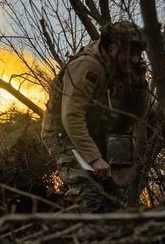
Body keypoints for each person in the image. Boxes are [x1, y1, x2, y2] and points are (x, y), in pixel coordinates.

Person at [41, 21, 150, 212]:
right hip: (65, 135)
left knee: (115, 201)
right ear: (113, 49)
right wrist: (94, 158)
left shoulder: (121, 69)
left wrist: (140, 84)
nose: (135, 59)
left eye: (138, 54)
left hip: (96, 136)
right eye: (131, 53)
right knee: (87, 197)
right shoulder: (87, 66)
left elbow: (135, 116)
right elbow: (71, 116)